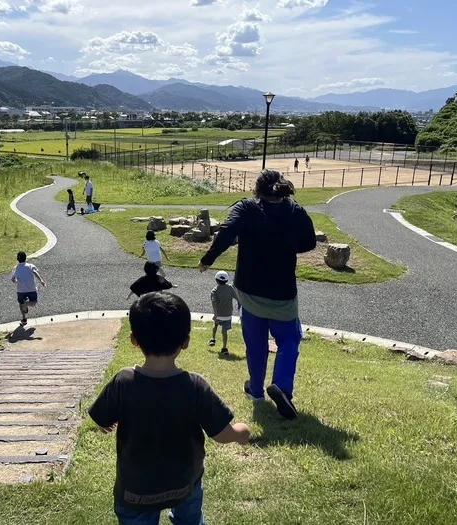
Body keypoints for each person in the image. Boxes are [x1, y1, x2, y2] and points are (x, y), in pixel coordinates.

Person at [89, 293, 250, 525]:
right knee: (189, 519)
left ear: (134, 339)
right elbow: (221, 434)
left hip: (135, 490)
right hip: (184, 483)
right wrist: (241, 433)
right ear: (185, 342)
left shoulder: (123, 382)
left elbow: (102, 418)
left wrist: (107, 424)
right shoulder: (195, 386)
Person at [199, 169, 316, 420]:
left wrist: (207, 259)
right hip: (283, 292)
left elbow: (227, 233)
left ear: (257, 190)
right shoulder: (294, 210)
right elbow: (310, 242)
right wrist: (285, 248)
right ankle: (282, 386)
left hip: (249, 291)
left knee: (256, 344)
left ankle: (255, 389)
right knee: (289, 340)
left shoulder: (247, 208)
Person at [11, 251, 46, 326]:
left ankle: (24, 318)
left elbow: (13, 279)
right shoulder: (30, 265)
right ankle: (26, 304)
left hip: (21, 290)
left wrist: (16, 281)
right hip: (31, 288)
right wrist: (41, 280)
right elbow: (35, 272)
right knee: (34, 302)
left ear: (17, 259)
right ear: (25, 258)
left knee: (21, 303)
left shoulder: (16, 268)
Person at [208, 270, 238, 357]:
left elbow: (214, 302)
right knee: (224, 331)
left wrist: (215, 314)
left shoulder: (214, 290)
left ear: (216, 280)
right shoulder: (230, 288)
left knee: (216, 325)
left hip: (218, 314)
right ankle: (224, 348)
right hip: (228, 314)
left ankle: (213, 338)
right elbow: (237, 297)